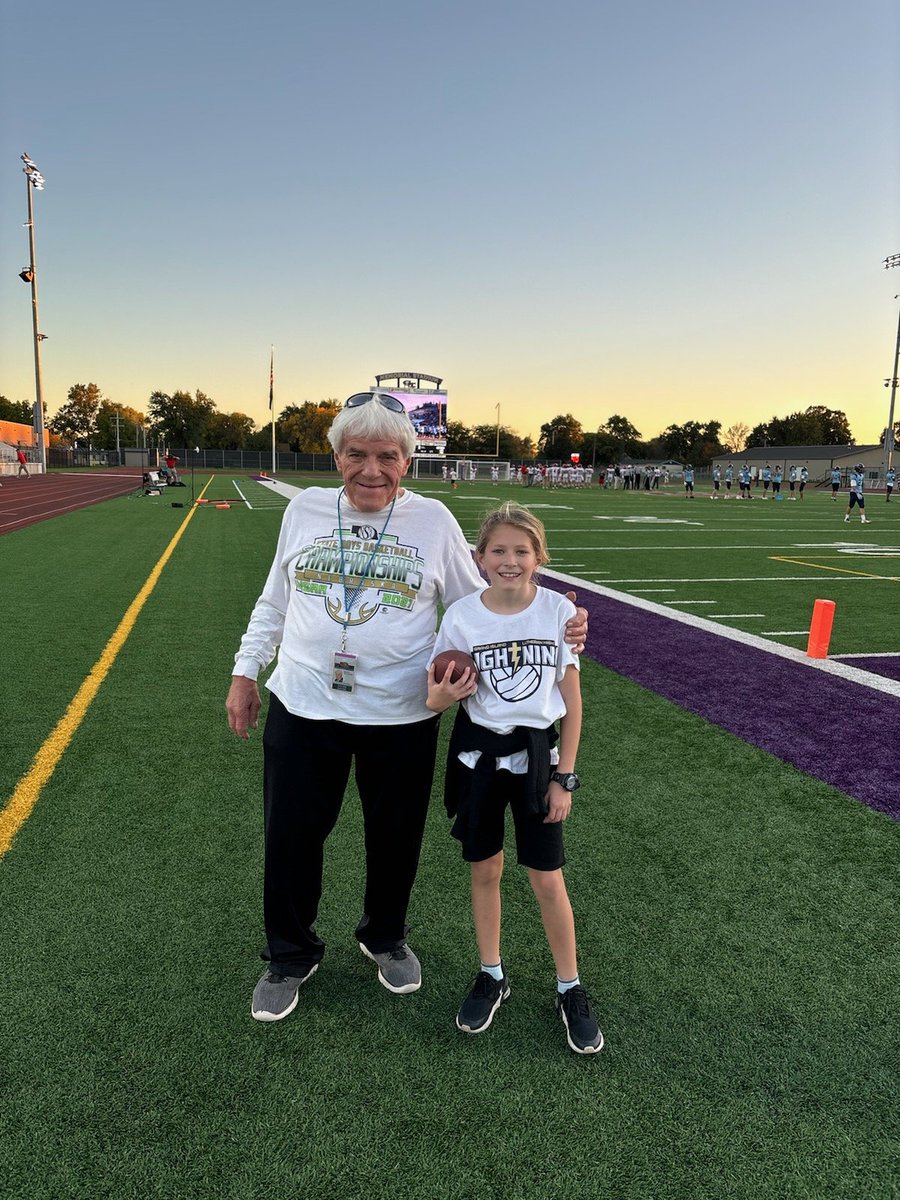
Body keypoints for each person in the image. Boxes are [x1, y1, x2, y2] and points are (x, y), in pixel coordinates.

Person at [225, 393, 587, 1024]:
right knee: (290, 836)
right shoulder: (306, 510)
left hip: (401, 712)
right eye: (356, 455)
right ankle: (289, 954)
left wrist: (560, 621)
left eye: (387, 456)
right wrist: (244, 670)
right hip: (303, 701)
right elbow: (274, 599)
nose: (372, 470)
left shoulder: (433, 521)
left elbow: (485, 604)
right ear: (336, 457)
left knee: (395, 839)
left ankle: (385, 935)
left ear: (407, 461)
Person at [425, 502, 602, 1055]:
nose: (509, 560)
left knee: (547, 877)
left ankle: (569, 986)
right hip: (478, 758)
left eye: (521, 551)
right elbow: (433, 699)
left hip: (537, 761)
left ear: (538, 558)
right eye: (498, 550)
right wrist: (443, 694)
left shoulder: (557, 611)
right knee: (485, 869)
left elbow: (572, 702)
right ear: (479, 558)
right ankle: (491, 974)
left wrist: (564, 777)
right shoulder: (460, 616)